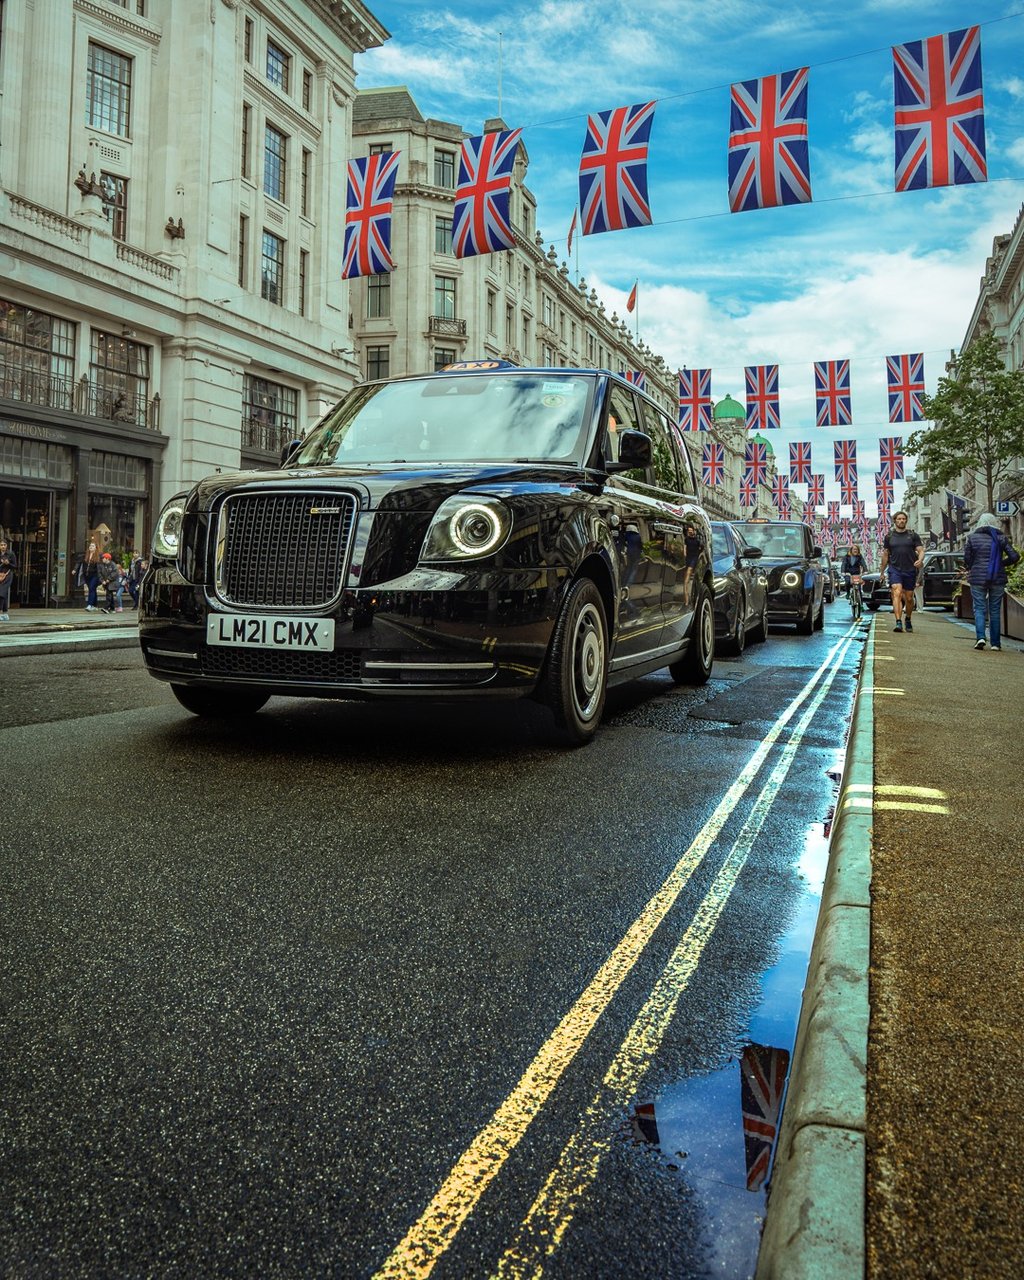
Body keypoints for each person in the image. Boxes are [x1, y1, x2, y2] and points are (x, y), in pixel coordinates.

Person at [962, 512, 1020, 651]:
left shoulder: (972, 538)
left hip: (977, 578)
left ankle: (980, 637)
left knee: (979, 609)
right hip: (997, 578)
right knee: (995, 610)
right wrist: (1001, 564)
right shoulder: (1000, 537)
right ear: (994, 522)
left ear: (979, 523)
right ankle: (995, 644)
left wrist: (974, 567)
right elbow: (1014, 556)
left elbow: (967, 559)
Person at [879, 511, 923, 633]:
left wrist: (920, 560)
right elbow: (885, 555)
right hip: (895, 569)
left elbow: (920, 550)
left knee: (909, 598)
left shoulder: (913, 535)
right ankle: (898, 622)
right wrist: (882, 571)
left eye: (903, 519)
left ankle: (907, 619)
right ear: (895, 521)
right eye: (899, 519)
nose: (901, 521)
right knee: (896, 592)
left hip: (909, 569)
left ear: (906, 520)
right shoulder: (889, 537)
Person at [80, 538, 101, 611]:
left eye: (92, 546)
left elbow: (100, 567)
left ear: (96, 548)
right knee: (92, 589)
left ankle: (89, 604)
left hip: (95, 575)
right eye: (90, 546)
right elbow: (81, 563)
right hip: (87, 575)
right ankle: (95, 605)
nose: (91, 547)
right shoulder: (86, 555)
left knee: (91, 588)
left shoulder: (99, 556)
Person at [0, 539, 17, 621]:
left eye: (4, 545)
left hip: (7, 575)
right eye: (1, 545)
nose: (3, 546)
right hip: (0, 575)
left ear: (7, 546)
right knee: (4, 594)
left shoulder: (11, 554)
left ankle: (0, 612)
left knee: (1, 593)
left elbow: (15, 566)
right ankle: (5, 613)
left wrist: (8, 563)